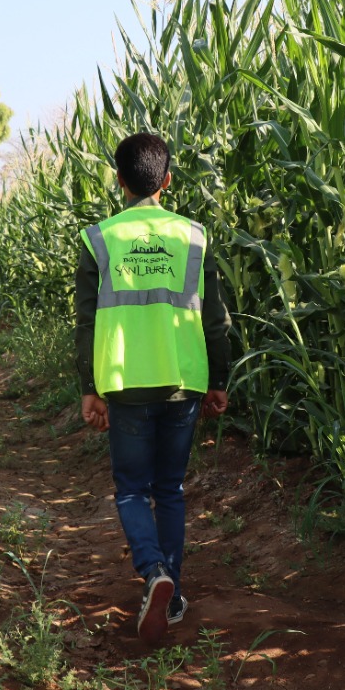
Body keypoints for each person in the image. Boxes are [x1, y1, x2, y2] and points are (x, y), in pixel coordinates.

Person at [74, 132, 231, 643]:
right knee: (170, 490)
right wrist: (219, 381)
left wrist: (89, 388)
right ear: (166, 181)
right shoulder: (193, 236)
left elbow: (85, 320)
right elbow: (216, 320)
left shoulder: (99, 238)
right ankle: (174, 593)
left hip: (125, 382)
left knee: (132, 490)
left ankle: (153, 572)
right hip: (184, 381)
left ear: (119, 180)